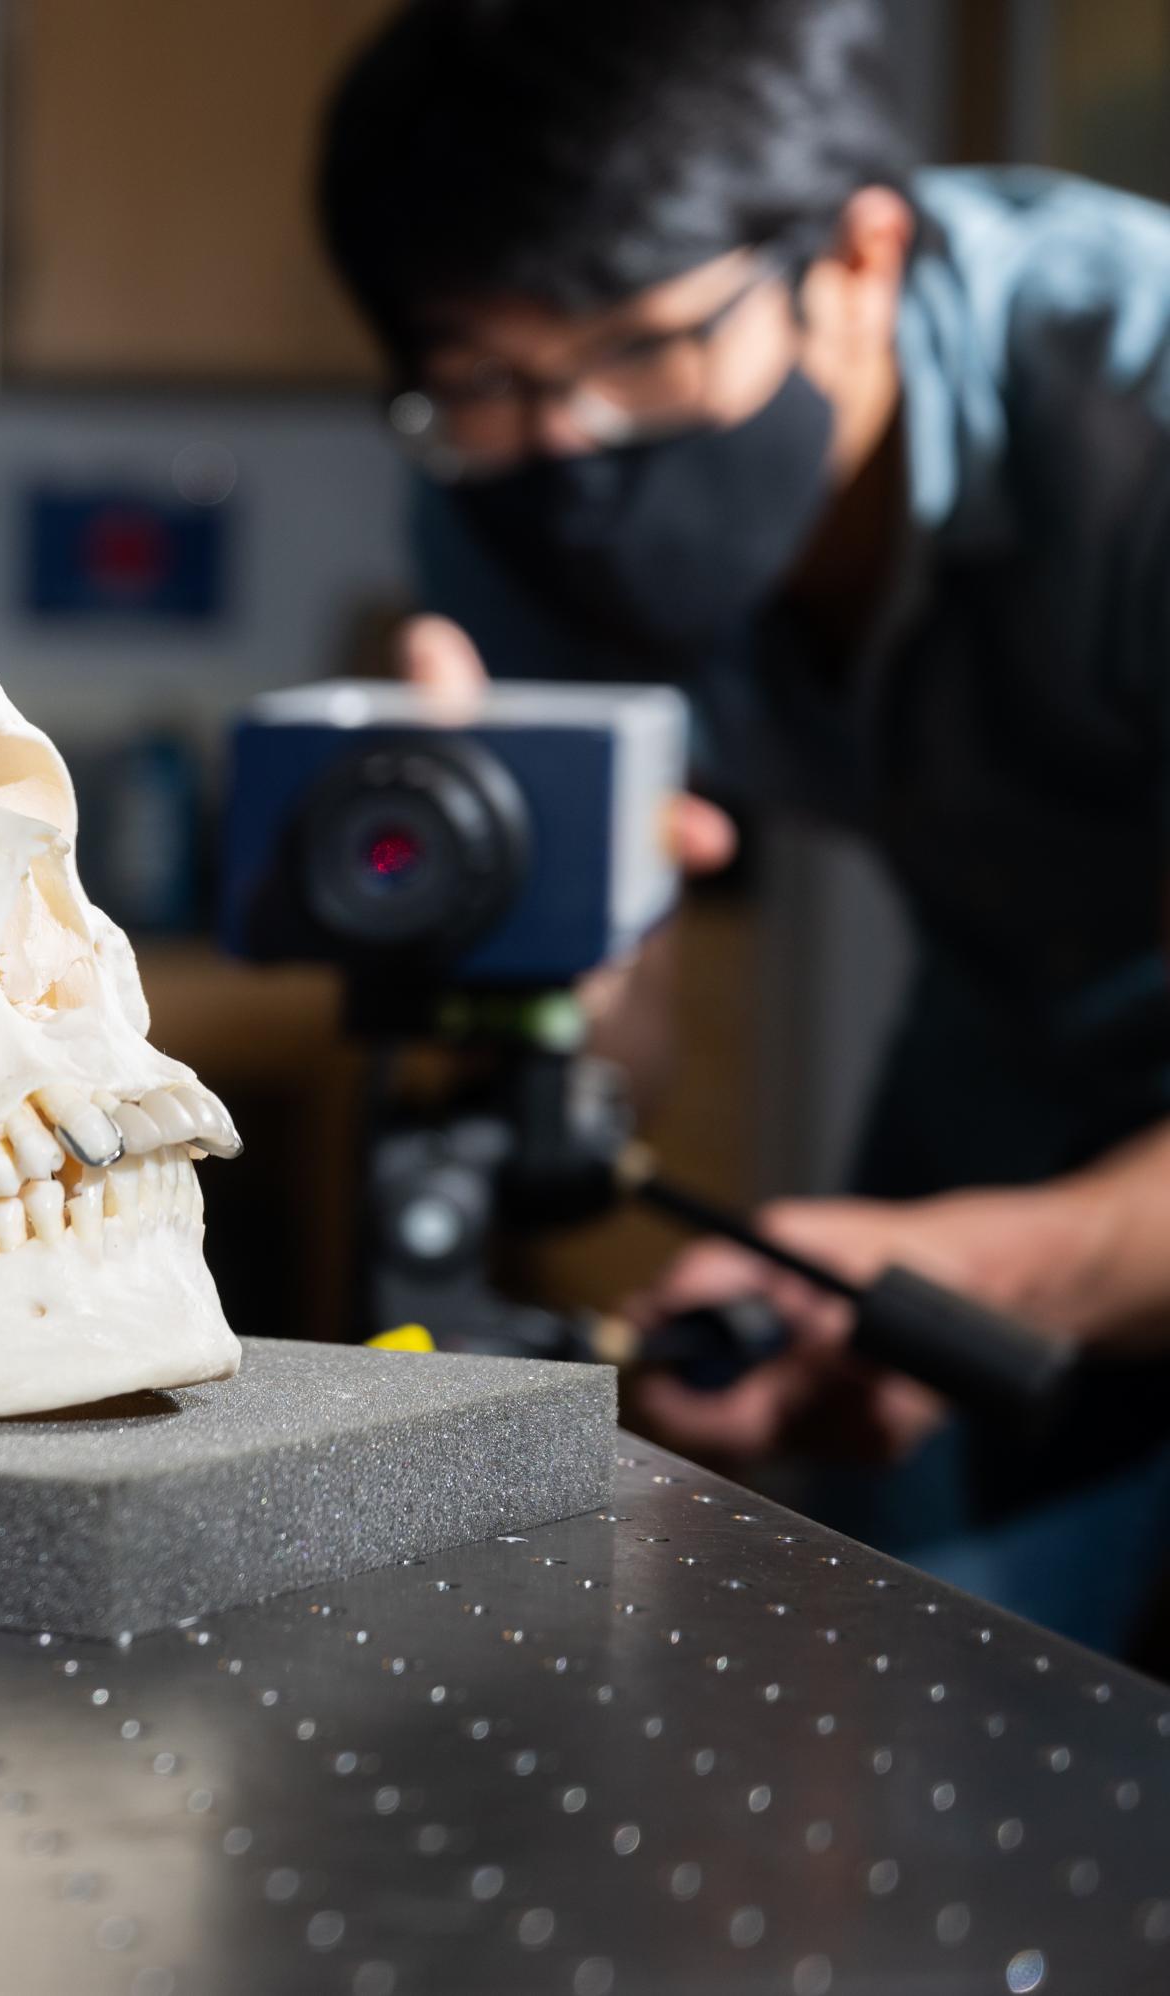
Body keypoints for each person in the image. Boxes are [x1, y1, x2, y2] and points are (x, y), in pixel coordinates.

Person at [316, 0, 1170, 1657]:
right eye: (486, 378)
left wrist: (1006, 1263)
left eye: (639, 350)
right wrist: (528, 963)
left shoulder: (1142, 410)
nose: (571, 444)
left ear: (857, 259)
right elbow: (606, 1030)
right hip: (1003, 1032)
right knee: (897, 1638)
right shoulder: (499, 470)